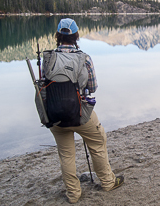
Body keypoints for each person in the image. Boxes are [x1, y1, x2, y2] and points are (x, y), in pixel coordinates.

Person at [43, 18, 124, 204]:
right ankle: (108, 182)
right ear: (76, 36)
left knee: (66, 154)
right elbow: (93, 87)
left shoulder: (48, 58)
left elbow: (43, 87)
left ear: (57, 36)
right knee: (97, 141)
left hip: (54, 116)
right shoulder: (84, 58)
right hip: (80, 114)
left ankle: (73, 194)